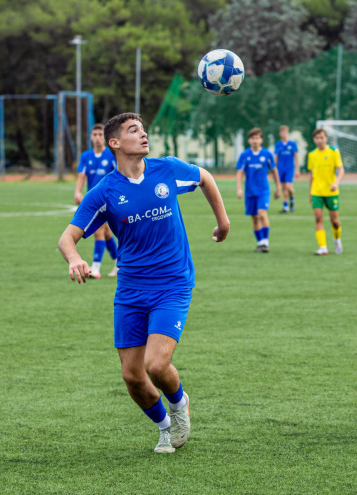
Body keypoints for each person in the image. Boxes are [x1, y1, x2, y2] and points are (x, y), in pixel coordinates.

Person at [57, 112, 230, 454]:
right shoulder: (104, 192)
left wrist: (222, 223)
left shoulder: (165, 168)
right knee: (133, 377)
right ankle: (165, 427)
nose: (144, 134)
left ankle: (180, 406)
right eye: (133, 130)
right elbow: (67, 237)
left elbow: (206, 178)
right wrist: (75, 258)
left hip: (173, 283)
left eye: (143, 129)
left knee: (156, 364)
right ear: (115, 143)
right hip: (131, 290)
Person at [75, 124, 119, 278]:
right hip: (93, 201)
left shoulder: (111, 156)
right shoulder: (86, 156)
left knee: (98, 230)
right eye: (95, 134)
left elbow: (119, 174)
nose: (98, 137)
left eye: (101, 134)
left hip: (109, 201)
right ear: (91, 137)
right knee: (106, 233)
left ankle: (95, 268)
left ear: (105, 138)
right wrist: (77, 192)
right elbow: (82, 175)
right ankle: (119, 264)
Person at [236, 127, 280, 252]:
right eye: (252, 138)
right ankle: (260, 243)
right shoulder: (245, 155)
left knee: (262, 213)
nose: (255, 141)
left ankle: (265, 241)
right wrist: (239, 188)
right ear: (249, 140)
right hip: (250, 191)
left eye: (257, 138)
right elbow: (239, 172)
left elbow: (274, 171)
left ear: (261, 140)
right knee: (254, 218)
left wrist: (278, 188)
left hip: (263, 190)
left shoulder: (267, 154)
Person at [307, 128, 344, 255]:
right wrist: (310, 193)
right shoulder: (312, 154)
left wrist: (336, 183)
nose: (319, 140)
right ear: (314, 140)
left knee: (334, 221)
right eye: (317, 138)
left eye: (321, 137)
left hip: (331, 192)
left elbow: (341, 169)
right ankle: (323, 247)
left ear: (326, 138)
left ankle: (337, 239)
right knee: (318, 218)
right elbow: (311, 174)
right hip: (317, 191)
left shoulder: (334, 152)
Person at [274, 125, 299, 213]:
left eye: (285, 132)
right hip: (280, 169)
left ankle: (292, 200)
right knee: (283, 188)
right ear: (280, 134)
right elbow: (276, 158)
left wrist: (297, 170)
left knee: (289, 187)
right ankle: (285, 207)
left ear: (288, 133)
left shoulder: (292, 144)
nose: (283, 134)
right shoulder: (278, 144)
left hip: (289, 169)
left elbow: (296, 157)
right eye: (282, 132)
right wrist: (274, 170)